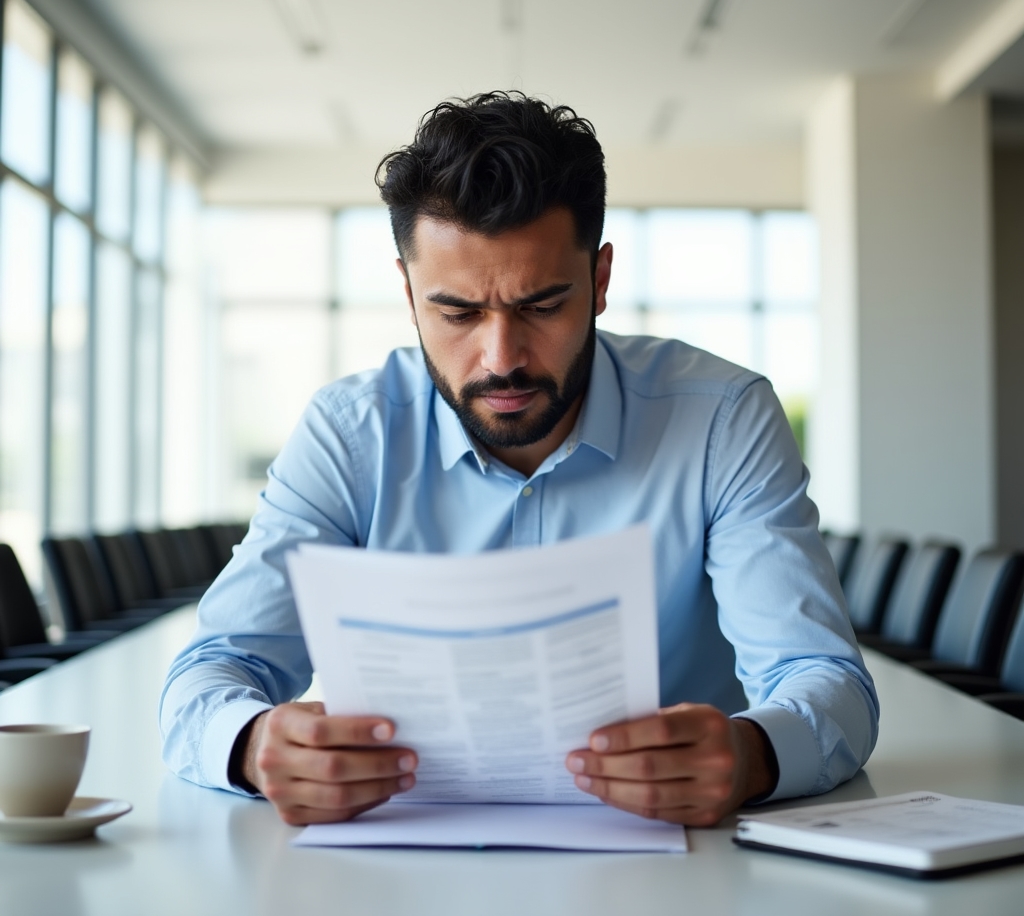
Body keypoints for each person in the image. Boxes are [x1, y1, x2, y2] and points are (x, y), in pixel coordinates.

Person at [161, 92, 878, 828]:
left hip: (682, 857)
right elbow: (209, 675)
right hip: (399, 852)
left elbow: (824, 680)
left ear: (600, 281)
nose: (501, 358)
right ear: (408, 293)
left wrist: (751, 756)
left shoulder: (722, 420)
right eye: (458, 312)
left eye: (541, 306)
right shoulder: (350, 435)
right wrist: (254, 745)